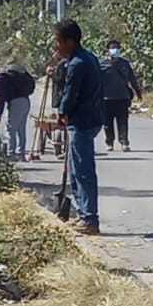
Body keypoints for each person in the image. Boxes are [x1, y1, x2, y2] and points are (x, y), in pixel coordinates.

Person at [54, 20, 104, 236]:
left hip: (82, 121)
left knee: (82, 171)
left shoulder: (76, 64)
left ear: (69, 41)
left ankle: (90, 219)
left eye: (58, 41)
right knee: (75, 169)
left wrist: (62, 113)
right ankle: (83, 214)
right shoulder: (88, 57)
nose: (56, 46)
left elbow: (70, 94)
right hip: (91, 118)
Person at [99, 40, 143, 152]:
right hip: (106, 99)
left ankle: (124, 142)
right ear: (108, 50)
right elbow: (95, 80)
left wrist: (137, 91)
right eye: (113, 48)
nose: (115, 50)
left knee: (123, 121)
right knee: (107, 123)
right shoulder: (101, 64)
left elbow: (132, 78)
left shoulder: (125, 64)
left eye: (117, 48)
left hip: (122, 98)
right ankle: (109, 142)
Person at [0, 62, 37, 161]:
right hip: (25, 101)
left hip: (16, 103)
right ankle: (21, 154)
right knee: (21, 129)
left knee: (10, 129)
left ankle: (11, 153)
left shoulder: (0, 79)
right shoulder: (10, 75)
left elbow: (2, 99)